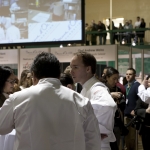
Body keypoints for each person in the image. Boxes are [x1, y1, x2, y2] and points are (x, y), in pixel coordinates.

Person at [0, 52, 101, 150]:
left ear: (33, 76)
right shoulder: (81, 101)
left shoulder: (17, 99)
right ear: (58, 75)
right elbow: (93, 141)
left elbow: (2, 127)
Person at [70, 52, 117, 150]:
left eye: (75, 67)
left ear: (88, 69)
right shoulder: (86, 88)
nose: (71, 71)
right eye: (71, 67)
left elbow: (109, 105)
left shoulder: (97, 88)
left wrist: (96, 130)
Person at [102, 67, 126, 150]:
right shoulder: (102, 89)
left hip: (116, 123)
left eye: (117, 79)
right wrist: (110, 95)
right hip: (104, 124)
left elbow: (123, 106)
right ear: (107, 77)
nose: (116, 81)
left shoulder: (118, 89)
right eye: (114, 79)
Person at [124, 68, 140, 150]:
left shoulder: (137, 86)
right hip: (125, 115)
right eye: (127, 74)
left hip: (134, 117)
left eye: (130, 74)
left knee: (133, 139)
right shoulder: (125, 86)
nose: (128, 76)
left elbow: (141, 100)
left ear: (134, 75)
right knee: (127, 138)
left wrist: (136, 110)